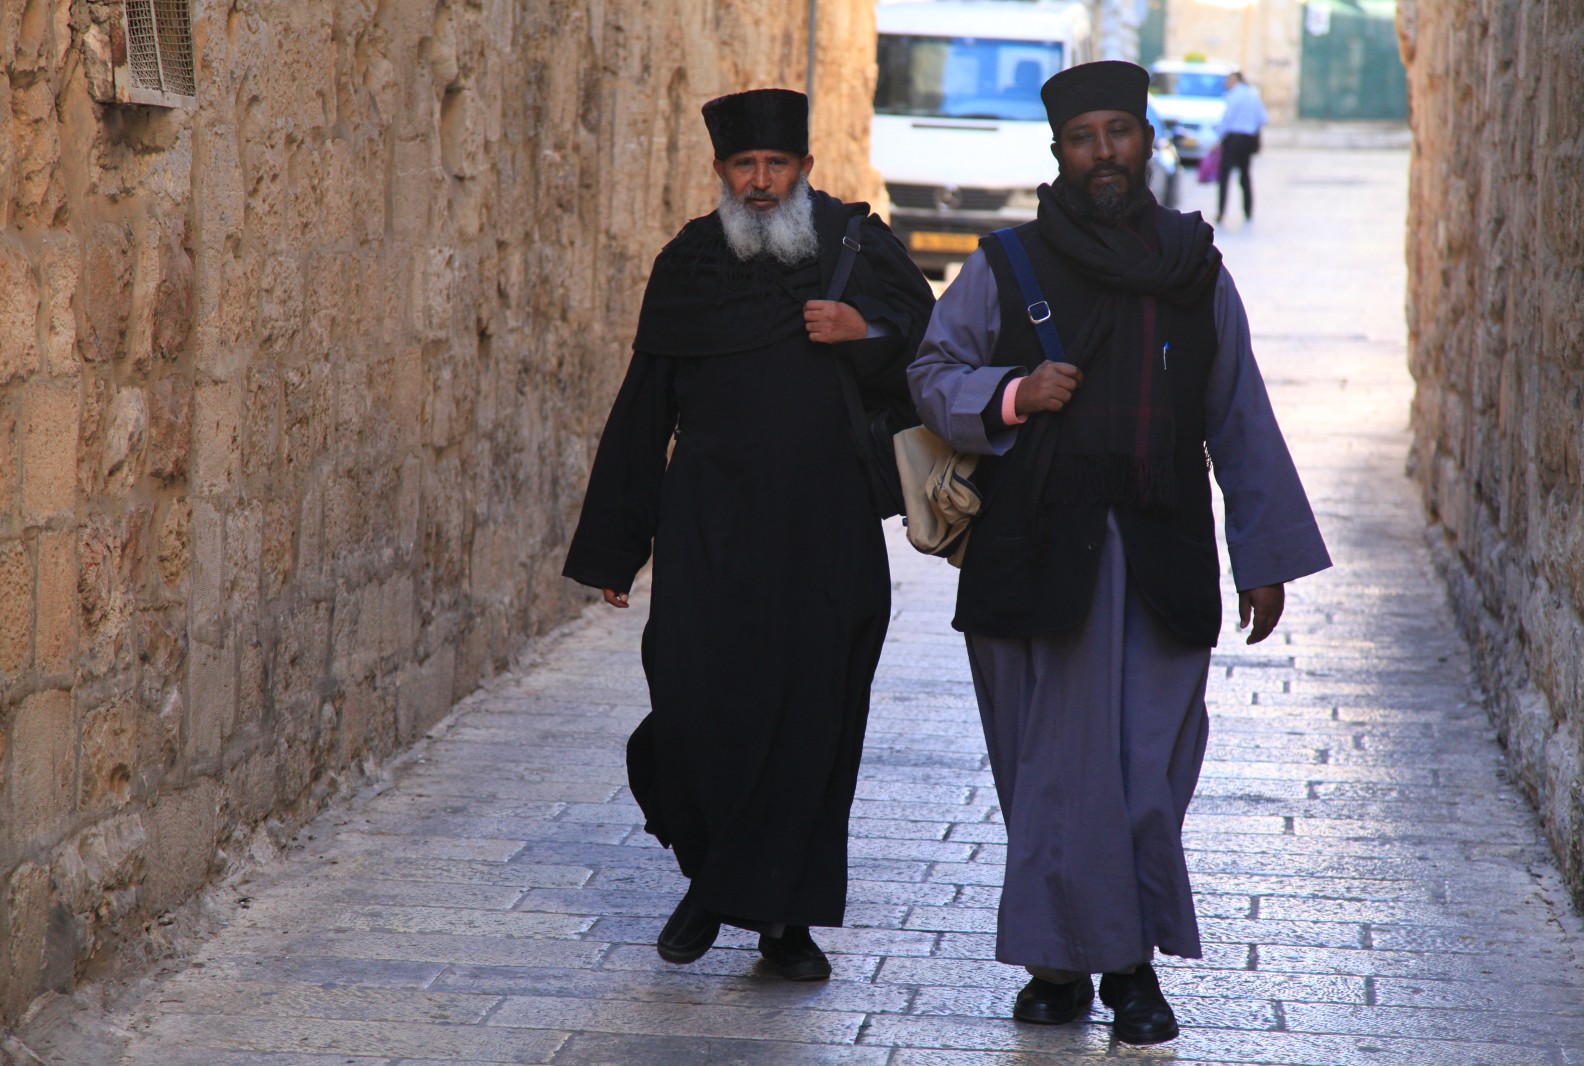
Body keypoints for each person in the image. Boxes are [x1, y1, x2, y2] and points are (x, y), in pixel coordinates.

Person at [907, 61, 1329, 1044]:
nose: (1103, 152)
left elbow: (1238, 413)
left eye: (1119, 133)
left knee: (1148, 777)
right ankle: (1068, 969)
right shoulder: (1004, 265)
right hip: (1034, 553)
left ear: (1146, 142)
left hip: (1160, 554)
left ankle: (1128, 960)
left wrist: (1260, 551)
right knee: (1048, 778)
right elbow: (931, 374)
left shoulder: (1191, 265)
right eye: (1083, 137)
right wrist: (1012, 394)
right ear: (1057, 152)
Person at [563, 88, 934, 982]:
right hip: (710, 531)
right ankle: (716, 880)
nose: (761, 182)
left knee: (814, 720)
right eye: (744, 168)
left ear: (805, 168)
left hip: (829, 529)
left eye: (776, 166)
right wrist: (618, 545)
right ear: (722, 172)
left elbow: (934, 357)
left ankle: (781, 923)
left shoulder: (858, 246)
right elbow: (645, 403)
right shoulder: (689, 263)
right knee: (695, 707)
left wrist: (864, 335)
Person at [1216, 71, 1267, 224]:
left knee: (1225, 177)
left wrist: (1218, 139)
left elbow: (1227, 120)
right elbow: (1263, 118)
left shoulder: (1233, 96)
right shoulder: (1253, 95)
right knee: (1245, 176)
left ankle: (1221, 211)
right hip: (1247, 139)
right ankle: (1248, 211)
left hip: (1233, 139)